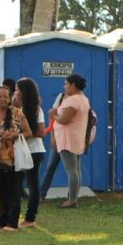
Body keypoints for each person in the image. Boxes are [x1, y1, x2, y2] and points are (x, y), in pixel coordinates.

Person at [0, 85, 30, 232]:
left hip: (13, 158)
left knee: (14, 192)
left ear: (9, 98)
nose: (2, 99)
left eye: (5, 96)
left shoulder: (17, 113)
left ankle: (12, 223)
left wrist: (16, 135)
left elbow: (29, 132)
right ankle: (1, 220)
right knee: (1, 191)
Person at [48, 74, 91, 209]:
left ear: (73, 85)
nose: (64, 86)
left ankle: (72, 200)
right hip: (76, 138)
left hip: (67, 139)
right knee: (76, 170)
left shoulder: (73, 100)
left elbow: (64, 120)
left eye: (66, 84)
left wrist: (53, 114)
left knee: (71, 170)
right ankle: (73, 197)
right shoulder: (83, 99)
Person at [14, 78, 45, 228]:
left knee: (32, 185)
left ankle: (30, 218)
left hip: (34, 151)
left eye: (17, 89)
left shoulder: (36, 110)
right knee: (15, 184)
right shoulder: (17, 109)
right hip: (20, 151)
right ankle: (6, 214)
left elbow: (41, 133)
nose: (15, 93)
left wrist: (24, 133)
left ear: (23, 92)